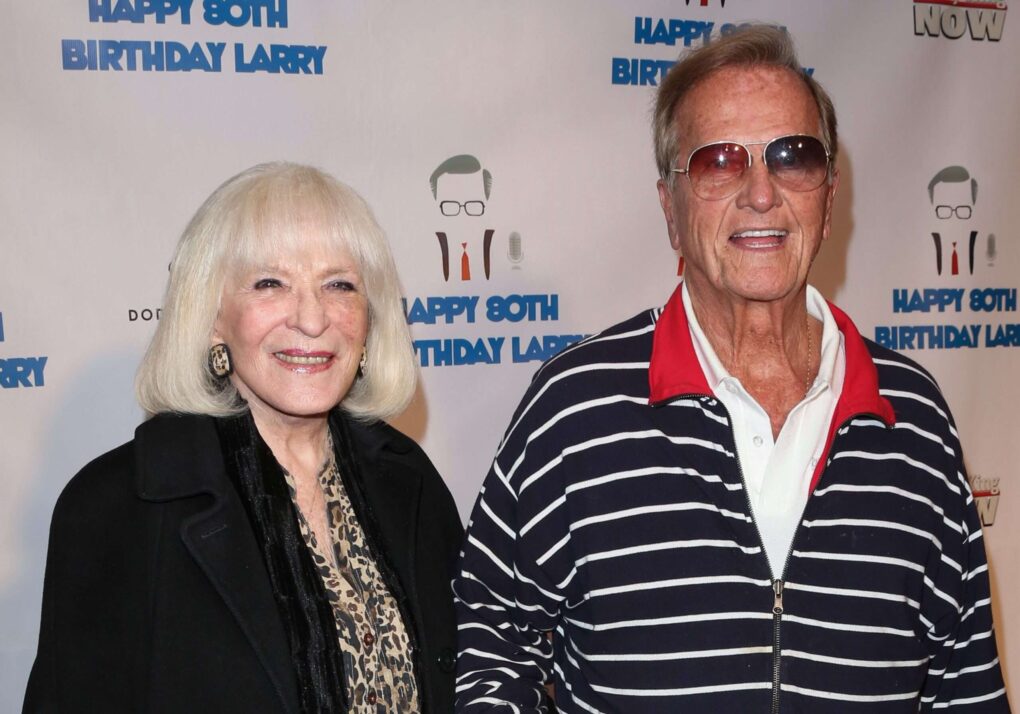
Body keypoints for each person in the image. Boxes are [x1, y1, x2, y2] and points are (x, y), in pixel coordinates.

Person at [453, 27, 1009, 712]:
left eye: (792, 157)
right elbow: (489, 640)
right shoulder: (575, 409)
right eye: (719, 162)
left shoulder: (913, 414)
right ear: (671, 212)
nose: (761, 193)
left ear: (828, 200)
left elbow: (966, 684)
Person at [25, 163, 463, 713]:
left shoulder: (409, 479)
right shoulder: (118, 504)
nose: (311, 318)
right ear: (211, 317)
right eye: (270, 283)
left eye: (339, 285)